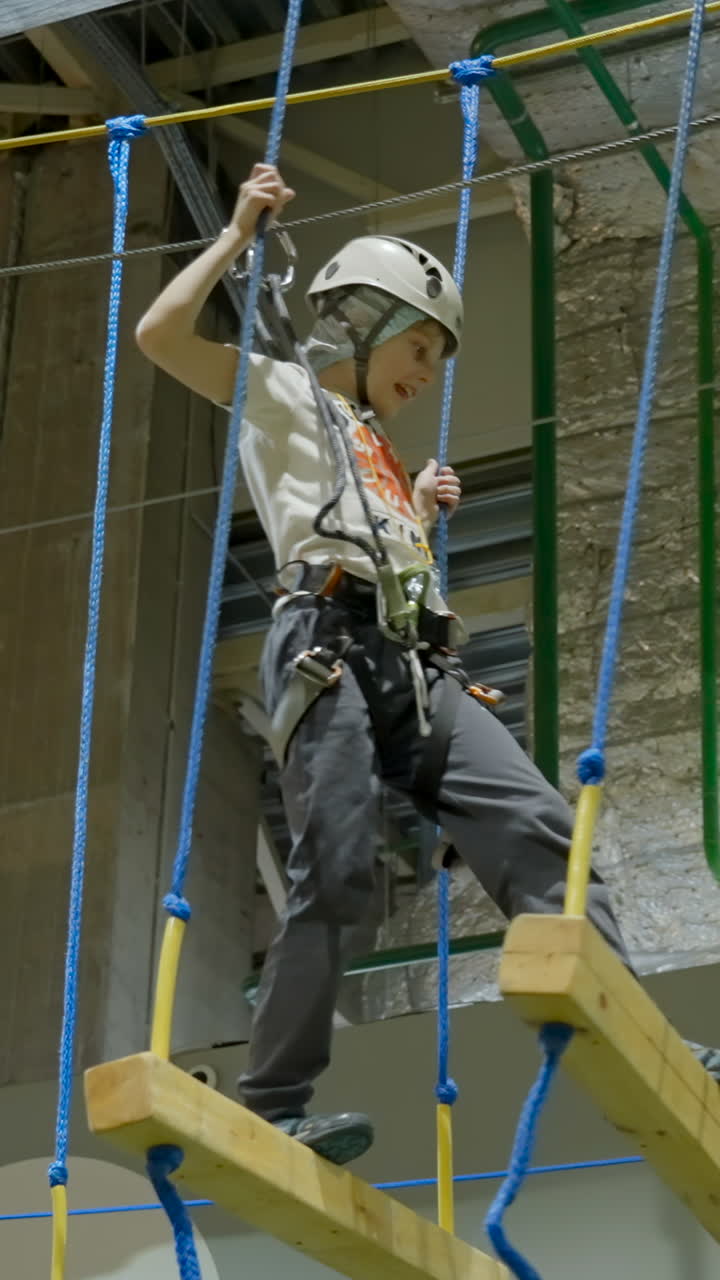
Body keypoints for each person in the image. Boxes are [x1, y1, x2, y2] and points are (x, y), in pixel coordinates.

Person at [137, 163, 720, 1166]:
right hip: (324, 650)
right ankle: (271, 1100)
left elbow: (387, 561)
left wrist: (421, 510)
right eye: (417, 348)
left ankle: (638, 1027)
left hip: (413, 668)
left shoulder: (376, 447)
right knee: (342, 870)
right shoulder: (279, 392)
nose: (426, 374)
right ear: (357, 327)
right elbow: (159, 335)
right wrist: (236, 237)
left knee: (541, 828)